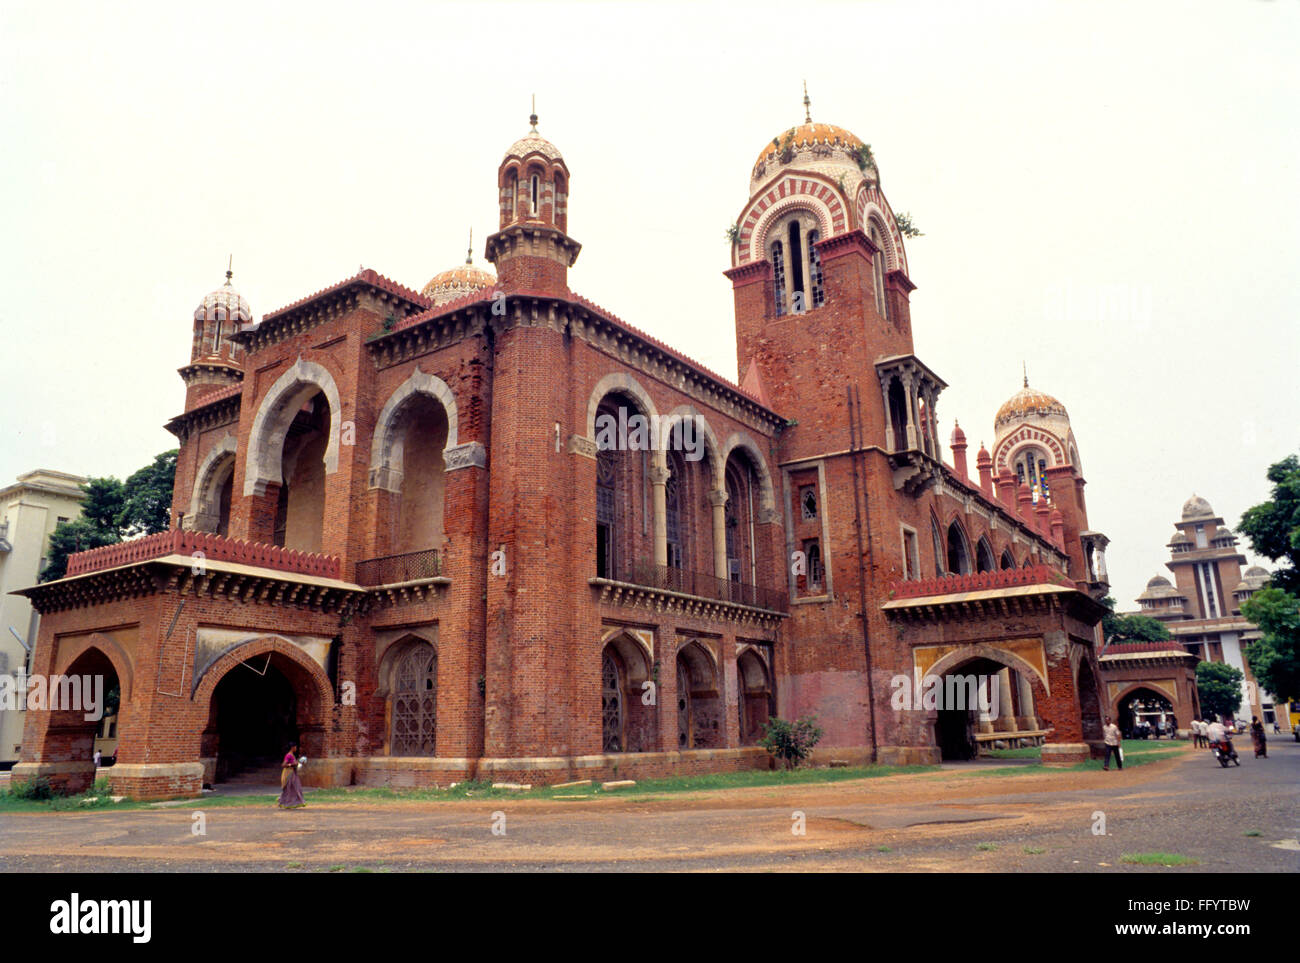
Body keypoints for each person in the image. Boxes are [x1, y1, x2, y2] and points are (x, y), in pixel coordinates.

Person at [277, 740, 306, 809]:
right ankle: (284, 801)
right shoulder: (288, 755)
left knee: (295, 788)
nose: (296, 748)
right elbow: (283, 764)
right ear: (292, 747)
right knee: (290, 788)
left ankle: (292, 802)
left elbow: (295, 764)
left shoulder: (292, 755)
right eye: (295, 747)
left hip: (293, 773)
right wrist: (292, 764)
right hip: (289, 773)